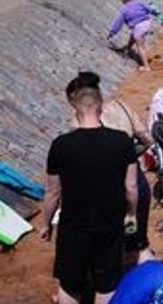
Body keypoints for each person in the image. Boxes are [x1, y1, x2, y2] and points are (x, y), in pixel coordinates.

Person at [40, 85, 138, 304]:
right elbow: (131, 187)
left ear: (74, 110)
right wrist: (130, 213)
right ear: (101, 107)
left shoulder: (61, 145)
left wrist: (46, 224)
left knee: (69, 282)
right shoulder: (121, 141)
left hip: (74, 225)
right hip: (109, 223)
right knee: (106, 282)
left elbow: (52, 192)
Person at [66, 71, 154, 264]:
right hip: (138, 184)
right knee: (137, 240)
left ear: (77, 100)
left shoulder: (78, 125)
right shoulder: (121, 106)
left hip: (111, 191)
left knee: (111, 247)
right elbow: (147, 140)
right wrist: (130, 155)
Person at [108, 0, 159, 71]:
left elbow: (118, 22)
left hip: (138, 27)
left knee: (140, 47)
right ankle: (127, 49)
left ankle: (146, 66)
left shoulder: (123, 9)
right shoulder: (139, 2)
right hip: (147, 23)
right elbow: (150, 9)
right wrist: (156, 12)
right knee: (133, 35)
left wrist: (112, 32)